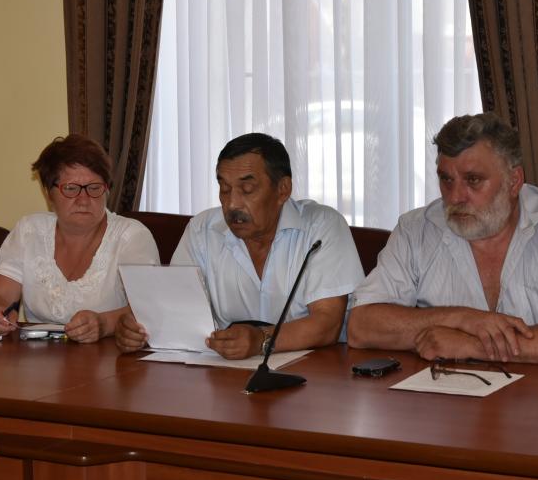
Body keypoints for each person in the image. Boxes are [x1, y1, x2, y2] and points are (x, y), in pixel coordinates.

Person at [348, 112, 538, 365]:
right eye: (446, 179)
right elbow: (361, 326)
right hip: (442, 392)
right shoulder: (416, 229)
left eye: (473, 180)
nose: (455, 197)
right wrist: (460, 319)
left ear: (514, 181)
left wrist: (473, 346)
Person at [116, 133, 364, 359]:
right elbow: (173, 309)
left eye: (247, 189)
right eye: (224, 189)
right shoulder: (202, 230)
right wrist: (138, 330)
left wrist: (261, 340)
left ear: (283, 190)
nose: (232, 203)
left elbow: (327, 324)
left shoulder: (321, 226)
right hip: (222, 371)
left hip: (314, 373)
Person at [0, 134, 160, 342]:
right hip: (37, 356)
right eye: (71, 189)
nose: (83, 200)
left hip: (110, 355)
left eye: (94, 188)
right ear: (49, 193)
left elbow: (150, 308)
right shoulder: (29, 231)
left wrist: (104, 324)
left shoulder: (131, 236)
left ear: (106, 190)